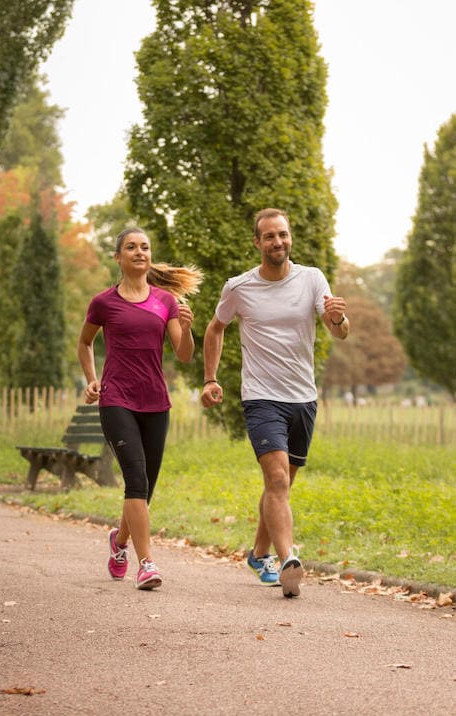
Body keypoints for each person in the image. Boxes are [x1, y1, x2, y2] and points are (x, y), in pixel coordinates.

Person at [200, 208, 349, 598]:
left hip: (303, 398)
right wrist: (210, 378)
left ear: (290, 237)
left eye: (282, 234)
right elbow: (216, 328)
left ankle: (259, 553)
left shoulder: (312, 279)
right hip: (262, 397)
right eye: (269, 236)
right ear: (257, 242)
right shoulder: (239, 287)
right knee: (278, 479)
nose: (277, 242)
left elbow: (339, 331)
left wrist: (339, 319)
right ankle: (288, 560)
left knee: (280, 485)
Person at [77, 227, 202, 590]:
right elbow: (85, 343)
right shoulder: (103, 302)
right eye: (130, 247)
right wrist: (91, 378)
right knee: (135, 478)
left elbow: (184, 354)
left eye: (144, 247)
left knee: (144, 489)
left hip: (155, 401)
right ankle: (146, 563)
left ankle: (119, 544)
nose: (139, 252)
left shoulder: (165, 302)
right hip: (116, 399)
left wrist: (189, 329)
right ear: (118, 257)